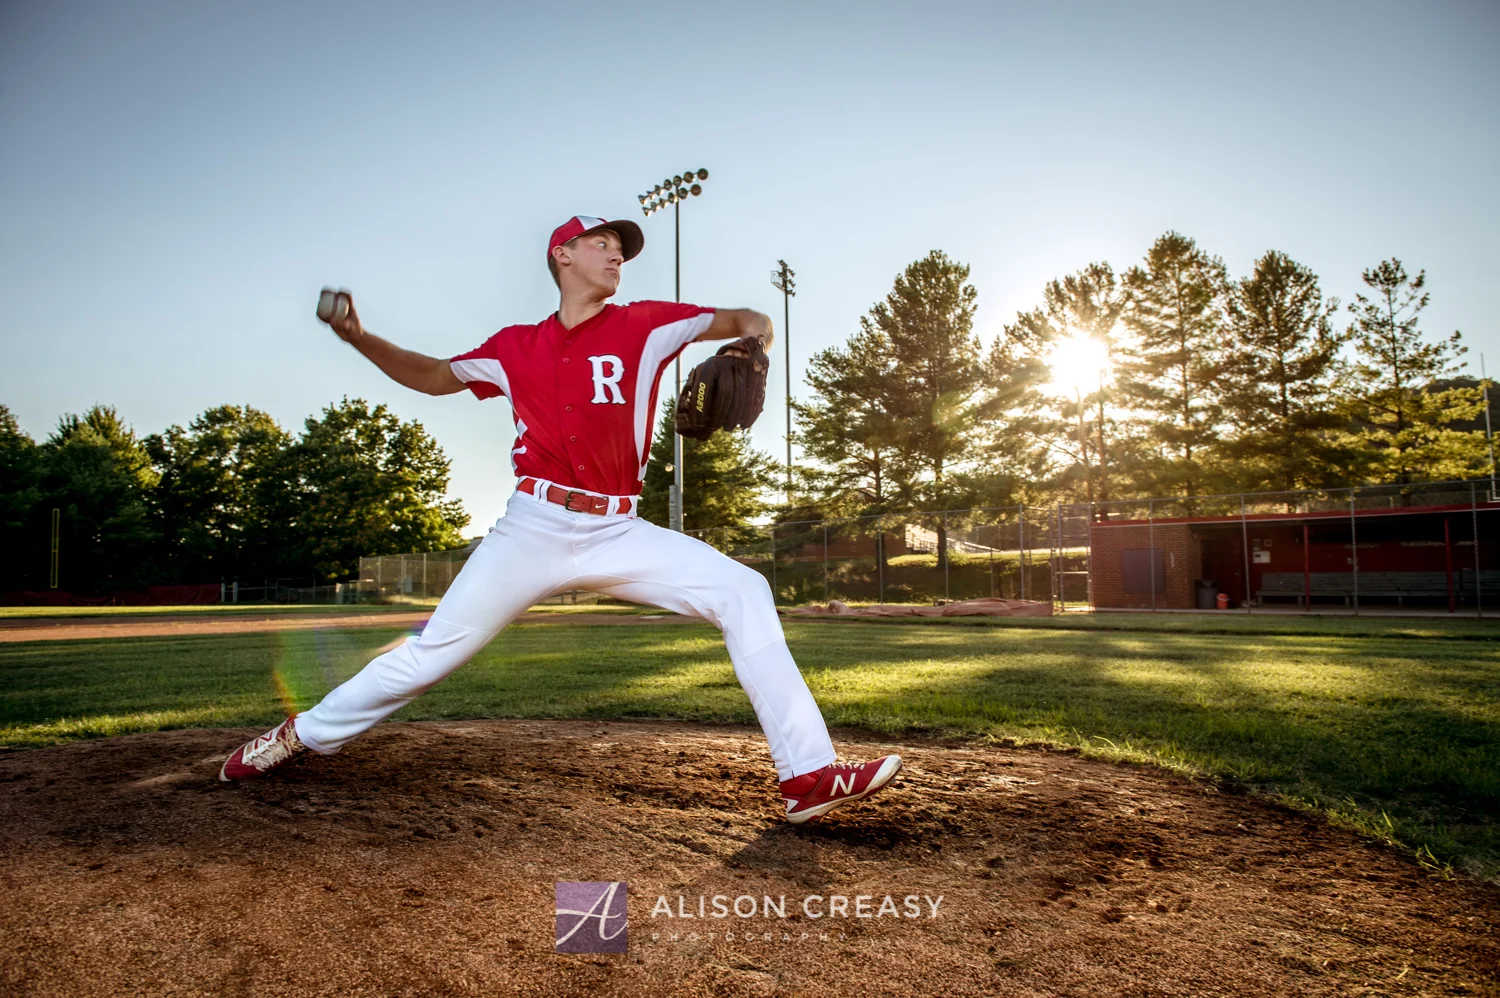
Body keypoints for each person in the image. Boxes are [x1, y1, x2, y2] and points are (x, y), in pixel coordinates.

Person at [218, 215, 902, 824]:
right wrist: (358, 336)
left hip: (619, 530)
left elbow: (752, 315)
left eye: (620, 249)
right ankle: (299, 735)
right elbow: (432, 376)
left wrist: (751, 347)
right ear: (562, 257)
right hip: (533, 529)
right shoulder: (516, 347)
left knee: (743, 590)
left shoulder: (649, 323)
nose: (616, 256)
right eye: (600, 244)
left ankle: (808, 777)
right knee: (429, 658)